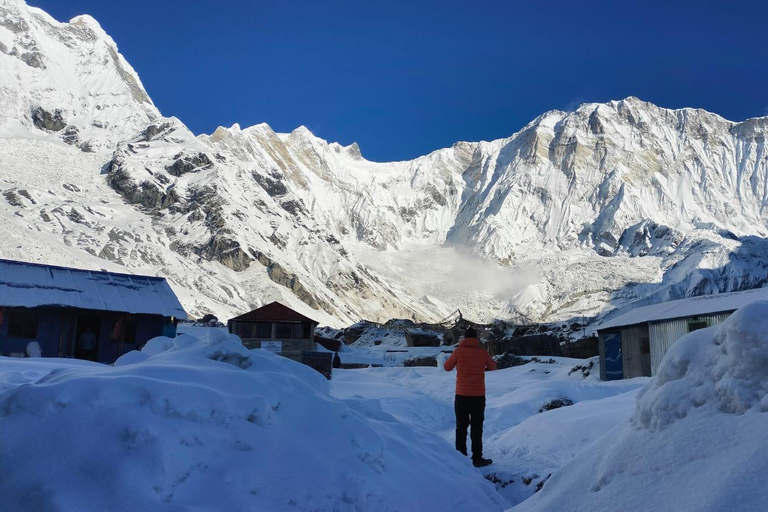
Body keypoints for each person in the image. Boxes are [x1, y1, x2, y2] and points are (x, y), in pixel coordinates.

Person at [443, 326, 497, 468]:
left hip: (461, 395)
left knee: (461, 426)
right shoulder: (482, 353)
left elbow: (446, 367)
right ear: (476, 339)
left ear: (464, 339)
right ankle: (477, 458)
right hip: (478, 396)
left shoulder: (458, 352)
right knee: (476, 427)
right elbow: (493, 367)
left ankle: (461, 458)